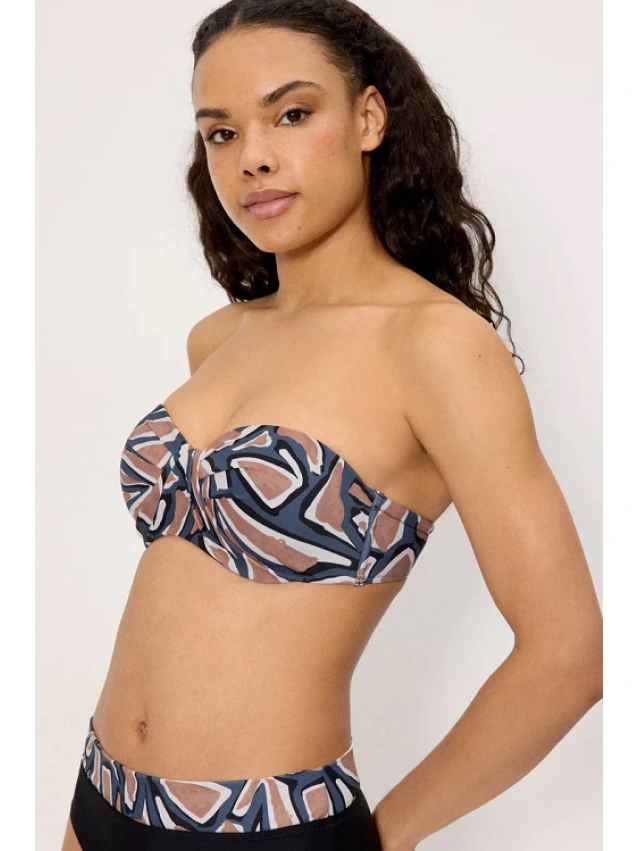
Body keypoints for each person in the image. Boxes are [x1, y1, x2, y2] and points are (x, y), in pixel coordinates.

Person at [61, 0, 603, 848]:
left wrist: (385, 835)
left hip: (273, 828)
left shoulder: (436, 347)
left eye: (292, 114)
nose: (253, 157)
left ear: (369, 118)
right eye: (221, 132)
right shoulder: (220, 337)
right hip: (97, 799)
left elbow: (569, 654)